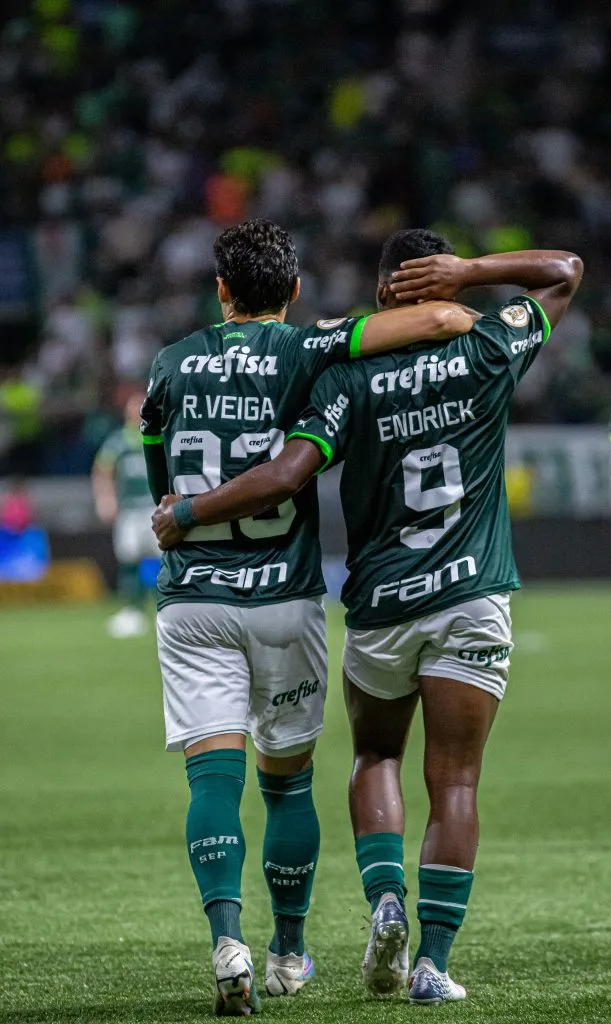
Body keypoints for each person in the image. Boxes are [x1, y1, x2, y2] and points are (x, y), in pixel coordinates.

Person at [152, 230, 583, 1005]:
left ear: (383, 291)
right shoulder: (488, 345)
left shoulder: (347, 377)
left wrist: (184, 510)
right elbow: (564, 272)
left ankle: (372, 902)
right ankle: (431, 963)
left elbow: (287, 471)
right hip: (468, 593)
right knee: (454, 781)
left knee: (374, 758)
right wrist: (472, 275)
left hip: (378, 603)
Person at [92, 387, 158, 638]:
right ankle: (133, 612)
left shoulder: (158, 434)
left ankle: (167, 607)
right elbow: (102, 470)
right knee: (129, 559)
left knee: (165, 560)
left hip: (155, 508)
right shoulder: (118, 441)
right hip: (130, 510)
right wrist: (105, 499)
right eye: (133, 407)